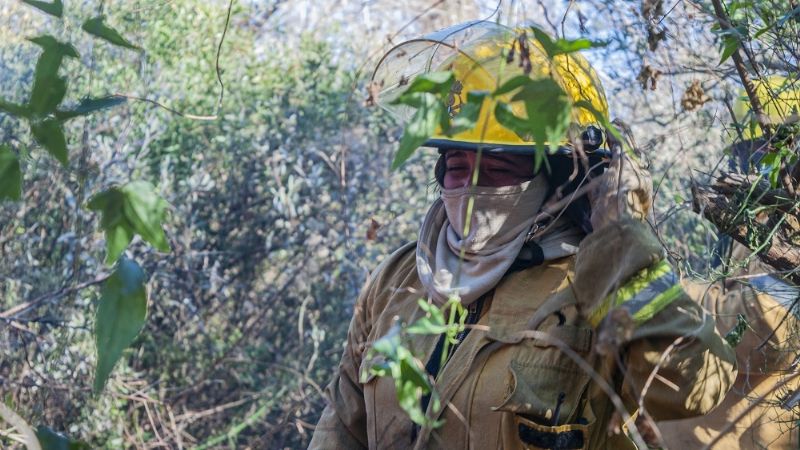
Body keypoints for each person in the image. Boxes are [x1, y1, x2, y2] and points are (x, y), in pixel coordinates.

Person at [309, 21, 737, 449]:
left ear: (559, 177)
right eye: (457, 165)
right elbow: (342, 428)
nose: (470, 188)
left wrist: (621, 240)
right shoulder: (397, 280)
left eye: (495, 168)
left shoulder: (592, 287)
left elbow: (695, 388)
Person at [657, 77, 800, 449]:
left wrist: (662, 293)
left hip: (751, 432)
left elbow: (769, 326)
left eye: (763, 150)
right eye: (744, 151)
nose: (749, 164)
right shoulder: (746, 227)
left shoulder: (788, 230)